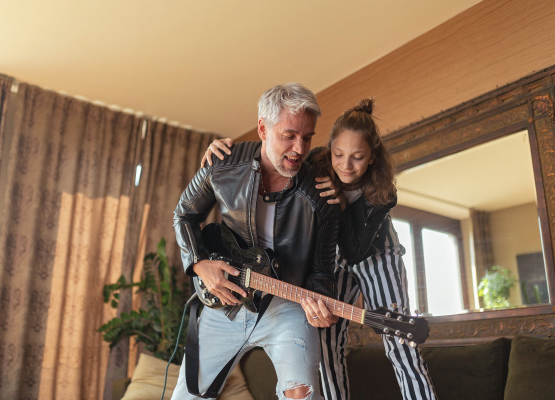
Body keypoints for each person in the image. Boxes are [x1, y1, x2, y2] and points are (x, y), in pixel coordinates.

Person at [201, 98, 437, 400]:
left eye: (357, 157)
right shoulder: (315, 162)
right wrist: (221, 154)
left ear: (372, 159)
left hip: (377, 255)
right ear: (328, 149)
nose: (345, 165)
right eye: (338, 154)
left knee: (400, 345)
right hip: (333, 259)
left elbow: (356, 251)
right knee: (325, 347)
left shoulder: (382, 192)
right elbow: (272, 158)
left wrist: (337, 205)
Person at [172, 82, 340, 400]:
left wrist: (321, 304)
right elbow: (184, 215)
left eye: (307, 137)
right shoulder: (222, 163)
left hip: (287, 305)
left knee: (301, 394)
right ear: (263, 128)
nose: (299, 148)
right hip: (226, 302)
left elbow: (321, 271)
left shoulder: (320, 195)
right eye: (289, 135)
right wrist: (199, 263)